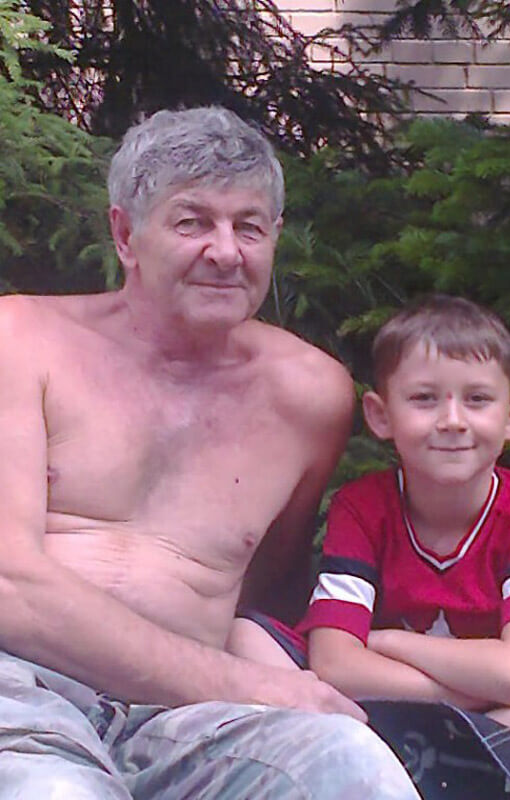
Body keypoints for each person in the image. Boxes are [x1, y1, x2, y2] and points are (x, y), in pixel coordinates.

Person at [0, 107, 422, 799]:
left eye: (249, 227)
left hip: (185, 720)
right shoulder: (20, 340)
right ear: (126, 235)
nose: (226, 252)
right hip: (20, 689)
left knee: (351, 764)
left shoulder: (309, 396)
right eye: (192, 222)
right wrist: (245, 682)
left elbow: (268, 586)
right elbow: (9, 587)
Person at [228, 294, 510, 774]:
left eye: (477, 399)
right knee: (246, 638)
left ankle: (389, 767)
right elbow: (335, 663)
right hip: (391, 704)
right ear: (380, 415)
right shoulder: (361, 507)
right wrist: (465, 688)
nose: (452, 420)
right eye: (424, 399)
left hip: (482, 710)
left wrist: (387, 643)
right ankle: (459, 770)